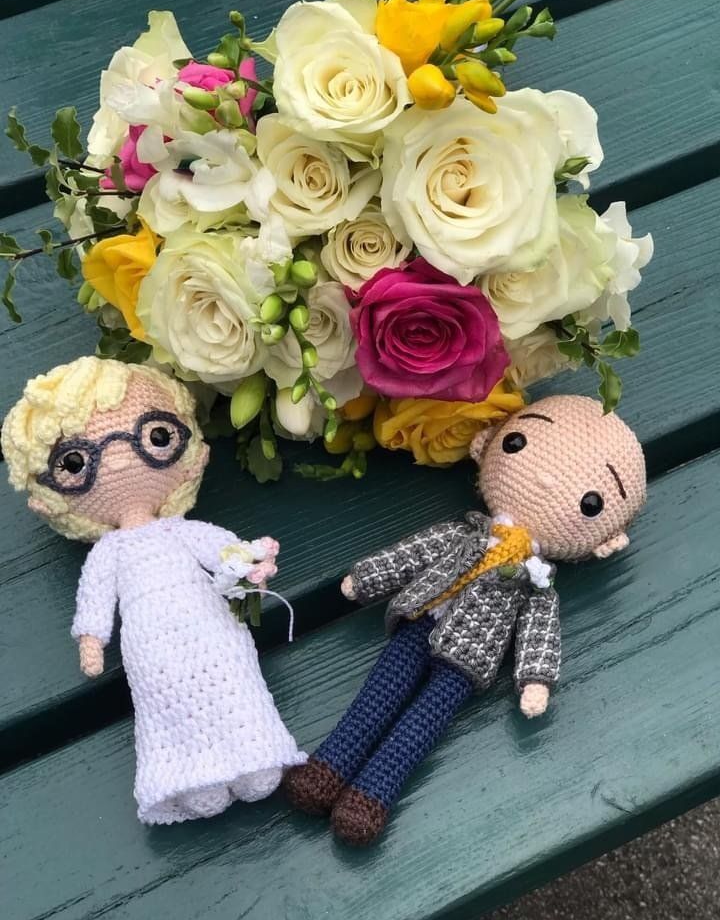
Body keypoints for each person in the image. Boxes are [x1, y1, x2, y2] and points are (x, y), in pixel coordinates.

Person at [284, 395, 647, 844]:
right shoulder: (465, 534)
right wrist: (367, 578)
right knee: (377, 695)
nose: (548, 480)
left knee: (423, 724)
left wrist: (535, 678)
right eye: (517, 443)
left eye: (591, 503)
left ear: (606, 541)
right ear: (486, 444)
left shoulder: (536, 581)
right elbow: (414, 553)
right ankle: (328, 767)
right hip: (419, 621)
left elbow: (540, 630)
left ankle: (371, 795)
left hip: (469, 659)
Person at [2, 356, 306, 825]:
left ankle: (257, 752)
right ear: (51, 498)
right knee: (168, 703)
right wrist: (91, 638)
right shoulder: (110, 551)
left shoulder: (181, 531)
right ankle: (191, 775)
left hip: (212, 629)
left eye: (156, 437)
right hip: (152, 649)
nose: (120, 459)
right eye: (76, 462)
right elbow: (95, 596)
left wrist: (249, 568)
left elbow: (224, 552)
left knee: (235, 684)